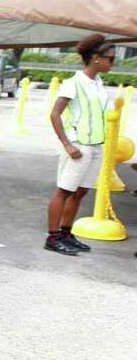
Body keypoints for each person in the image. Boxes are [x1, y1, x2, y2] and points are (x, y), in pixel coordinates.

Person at [46, 34, 114, 256]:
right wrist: (67, 144)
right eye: (109, 58)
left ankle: (66, 232)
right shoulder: (74, 83)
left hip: (95, 146)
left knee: (80, 192)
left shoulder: (97, 82)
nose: (112, 62)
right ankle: (53, 236)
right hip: (78, 146)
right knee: (64, 191)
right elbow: (55, 114)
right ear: (95, 58)